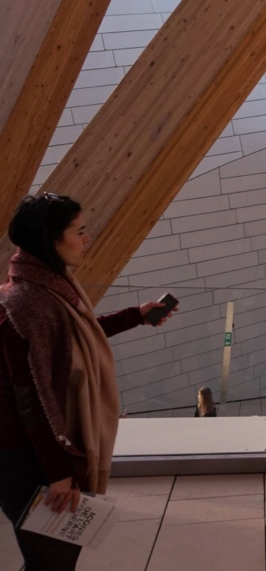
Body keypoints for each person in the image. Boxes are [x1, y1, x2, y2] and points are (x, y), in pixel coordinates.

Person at [0, 194, 174, 570]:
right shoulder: (27, 305)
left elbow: (73, 341)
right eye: (79, 231)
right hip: (23, 457)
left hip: (40, 452)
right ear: (51, 239)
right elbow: (32, 399)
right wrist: (59, 473)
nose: (87, 239)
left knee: (49, 560)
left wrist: (135, 316)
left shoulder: (48, 290)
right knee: (52, 562)